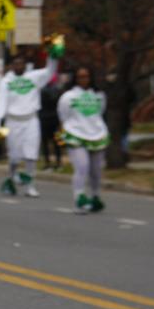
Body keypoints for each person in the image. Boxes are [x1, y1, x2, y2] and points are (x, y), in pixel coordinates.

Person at [0, 50, 60, 197]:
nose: (18, 66)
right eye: (15, 64)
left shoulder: (33, 77)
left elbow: (50, 71)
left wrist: (53, 57)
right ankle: (12, 176)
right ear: (11, 66)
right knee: (14, 157)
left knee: (31, 155)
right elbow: (1, 102)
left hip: (31, 120)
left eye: (21, 63)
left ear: (25, 65)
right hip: (12, 122)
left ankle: (30, 185)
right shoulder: (6, 82)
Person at [58, 67, 109, 214]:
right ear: (75, 78)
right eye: (80, 77)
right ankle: (79, 197)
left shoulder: (99, 95)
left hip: (97, 134)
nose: (83, 79)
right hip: (76, 135)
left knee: (96, 170)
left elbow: (100, 112)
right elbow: (63, 116)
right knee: (82, 166)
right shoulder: (68, 97)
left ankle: (95, 196)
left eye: (86, 76)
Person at [39, 77, 63, 170]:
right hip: (53, 118)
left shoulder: (41, 91)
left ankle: (48, 162)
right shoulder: (57, 90)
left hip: (45, 118)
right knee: (56, 142)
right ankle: (57, 162)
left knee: (46, 143)